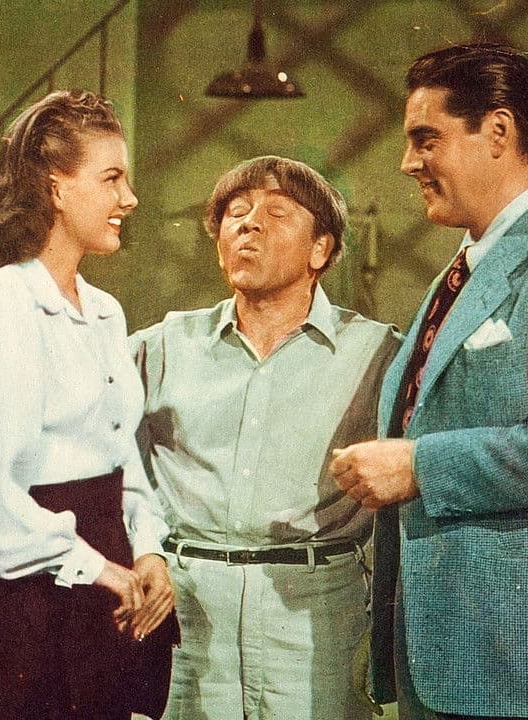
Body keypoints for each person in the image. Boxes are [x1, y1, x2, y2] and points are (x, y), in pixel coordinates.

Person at [330, 43, 528, 720]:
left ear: (498, 131)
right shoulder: (467, 265)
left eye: (426, 139)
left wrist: (418, 466)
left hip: (515, 658)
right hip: (447, 647)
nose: (407, 162)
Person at [132, 155, 401, 720]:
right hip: (188, 618)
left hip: (319, 621)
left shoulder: (377, 353)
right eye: (236, 212)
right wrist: (143, 550)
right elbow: (106, 465)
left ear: (320, 250)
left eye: (276, 213)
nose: (248, 223)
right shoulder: (161, 347)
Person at [0, 88, 177, 720]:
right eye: (111, 178)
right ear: (56, 188)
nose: (129, 198)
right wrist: (103, 570)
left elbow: (123, 457)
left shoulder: (106, 312)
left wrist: (148, 551)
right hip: (31, 602)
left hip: (110, 585)